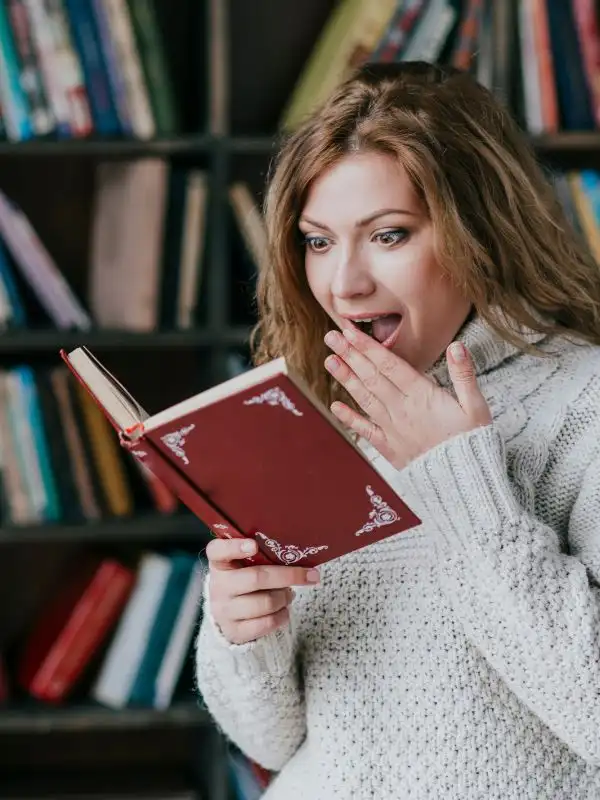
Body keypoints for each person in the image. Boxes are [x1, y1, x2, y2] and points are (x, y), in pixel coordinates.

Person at [195, 61, 600, 798]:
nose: (343, 285)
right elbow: (272, 741)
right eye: (318, 242)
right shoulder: (313, 412)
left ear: (482, 231)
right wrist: (243, 633)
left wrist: (461, 481)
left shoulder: (585, 404)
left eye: (387, 235)